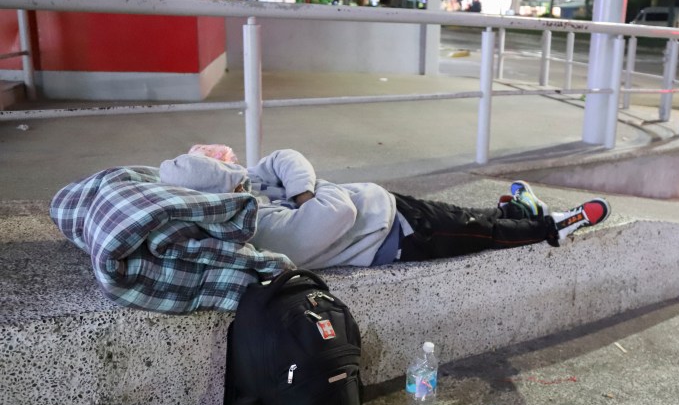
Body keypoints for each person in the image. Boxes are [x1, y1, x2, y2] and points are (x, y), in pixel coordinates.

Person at [158, 145, 611, 270]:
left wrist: (301, 192)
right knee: (480, 233)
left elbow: (285, 156)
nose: (239, 166)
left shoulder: (251, 189)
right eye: (230, 170)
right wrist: (312, 192)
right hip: (395, 238)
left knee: (468, 217)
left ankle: (520, 212)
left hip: (389, 209)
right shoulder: (257, 226)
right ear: (223, 190)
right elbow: (336, 213)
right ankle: (553, 226)